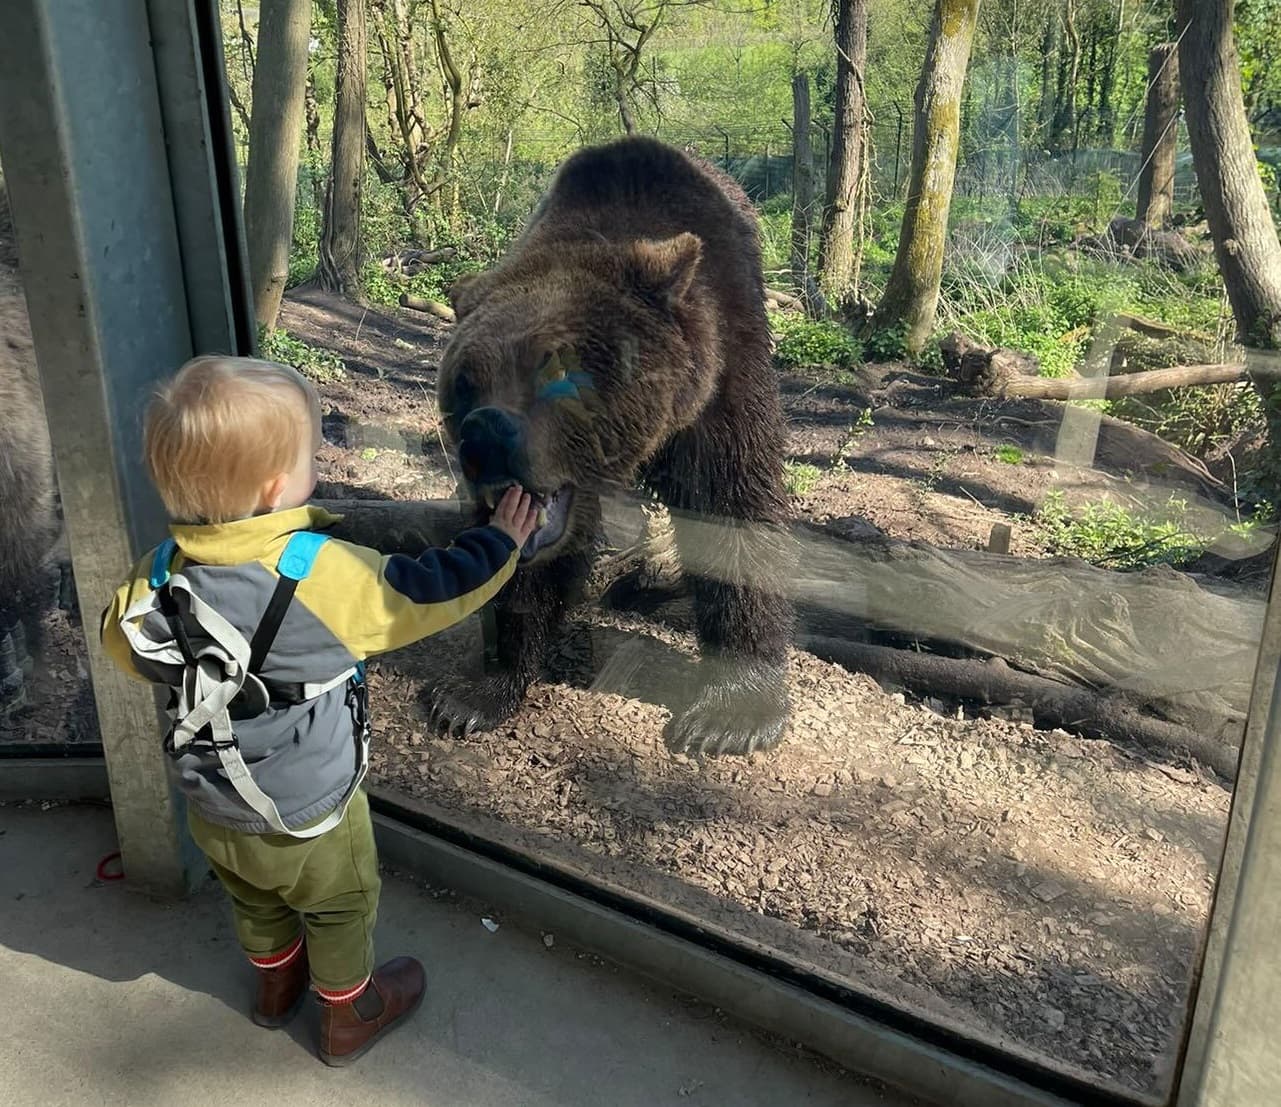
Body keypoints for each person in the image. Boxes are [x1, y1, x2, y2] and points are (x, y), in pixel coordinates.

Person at [99, 355, 537, 1065]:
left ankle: (275, 992)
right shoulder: (319, 574)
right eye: (308, 455)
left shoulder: (158, 573)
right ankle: (348, 1015)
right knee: (340, 905)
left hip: (211, 804)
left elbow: (120, 642)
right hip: (311, 811)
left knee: (256, 900)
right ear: (278, 487)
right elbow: (428, 592)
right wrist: (501, 542)